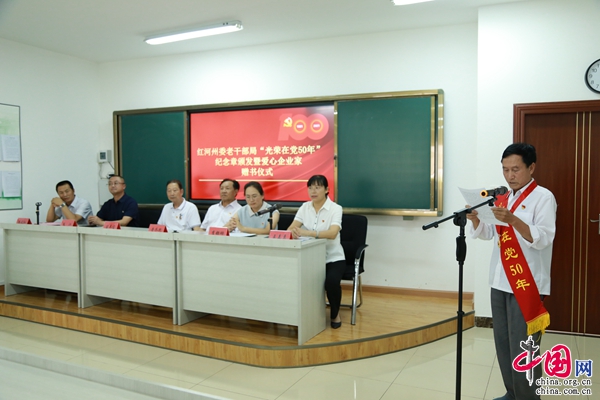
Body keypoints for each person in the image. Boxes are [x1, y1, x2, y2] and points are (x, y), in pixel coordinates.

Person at [467, 143, 557, 400]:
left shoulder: (543, 197)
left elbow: (543, 238)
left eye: (515, 169)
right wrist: (476, 218)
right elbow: (489, 232)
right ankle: (512, 392)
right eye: (505, 170)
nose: (510, 176)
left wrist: (513, 220)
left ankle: (528, 397)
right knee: (504, 343)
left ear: (531, 167)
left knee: (524, 346)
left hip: (526, 283)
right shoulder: (504, 198)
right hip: (499, 280)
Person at [287, 175, 345, 329]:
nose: (313, 191)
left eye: (317, 187)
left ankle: (335, 314)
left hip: (333, 258)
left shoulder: (336, 209)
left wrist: (308, 233)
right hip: (309, 257)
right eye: (310, 188)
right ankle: (304, 315)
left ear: (326, 189)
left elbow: (332, 233)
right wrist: (293, 232)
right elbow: (291, 228)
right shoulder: (304, 207)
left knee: (331, 282)